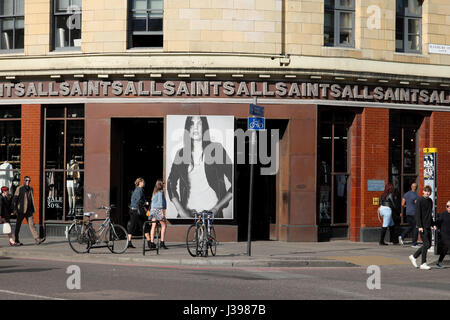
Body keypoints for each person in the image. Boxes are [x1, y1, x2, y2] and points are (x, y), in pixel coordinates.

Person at [167, 116, 233, 218]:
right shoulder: (181, 154)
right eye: (192, 124)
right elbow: (170, 183)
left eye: (199, 123)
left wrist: (217, 208)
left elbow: (235, 180)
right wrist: (180, 210)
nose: (196, 127)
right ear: (188, 128)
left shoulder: (217, 150)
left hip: (212, 215)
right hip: (188, 215)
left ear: (205, 126)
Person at [409, 185, 436, 270]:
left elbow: (429, 215)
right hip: (422, 226)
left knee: (428, 245)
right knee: (426, 244)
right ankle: (423, 263)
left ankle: (414, 256)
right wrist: (419, 226)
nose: (427, 193)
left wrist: (433, 224)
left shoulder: (430, 201)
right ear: (423, 192)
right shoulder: (420, 201)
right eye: (426, 191)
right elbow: (417, 214)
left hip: (428, 225)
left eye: (429, 191)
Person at [12, 176, 45, 245]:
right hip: (21, 210)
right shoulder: (19, 188)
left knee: (32, 224)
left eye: (29, 181)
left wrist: (32, 208)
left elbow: (30, 199)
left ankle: (37, 239)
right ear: (24, 181)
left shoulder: (31, 189)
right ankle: (16, 239)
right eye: (26, 180)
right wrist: (15, 209)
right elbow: (15, 199)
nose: (28, 182)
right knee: (18, 225)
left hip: (29, 210)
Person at [144, 179, 168, 250]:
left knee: (153, 226)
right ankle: (162, 242)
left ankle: (152, 242)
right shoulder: (160, 192)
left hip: (153, 210)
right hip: (158, 210)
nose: (164, 185)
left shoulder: (154, 191)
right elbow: (160, 204)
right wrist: (163, 214)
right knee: (164, 225)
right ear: (161, 184)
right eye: (163, 183)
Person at [127, 177, 148, 249]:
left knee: (133, 226)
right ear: (139, 183)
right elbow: (138, 201)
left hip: (133, 210)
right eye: (143, 182)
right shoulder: (139, 190)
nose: (144, 183)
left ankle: (129, 242)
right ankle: (149, 242)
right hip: (137, 211)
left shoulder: (136, 190)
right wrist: (145, 202)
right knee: (143, 225)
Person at [399, 182, 420, 247]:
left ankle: (402, 236)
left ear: (411, 187)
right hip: (414, 213)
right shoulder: (416, 196)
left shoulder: (406, 194)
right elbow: (417, 204)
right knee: (416, 228)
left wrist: (408, 206)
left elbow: (402, 204)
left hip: (408, 213)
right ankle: (414, 243)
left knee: (411, 226)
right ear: (416, 188)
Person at [435, 200, 450, 269]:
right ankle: (439, 262)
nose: (449, 207)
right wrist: (435, 226)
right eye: (447, 206)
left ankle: (439, 262)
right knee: (447, 245)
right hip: (444, 234)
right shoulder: (443, 214)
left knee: (445, 248)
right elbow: (437, 222)